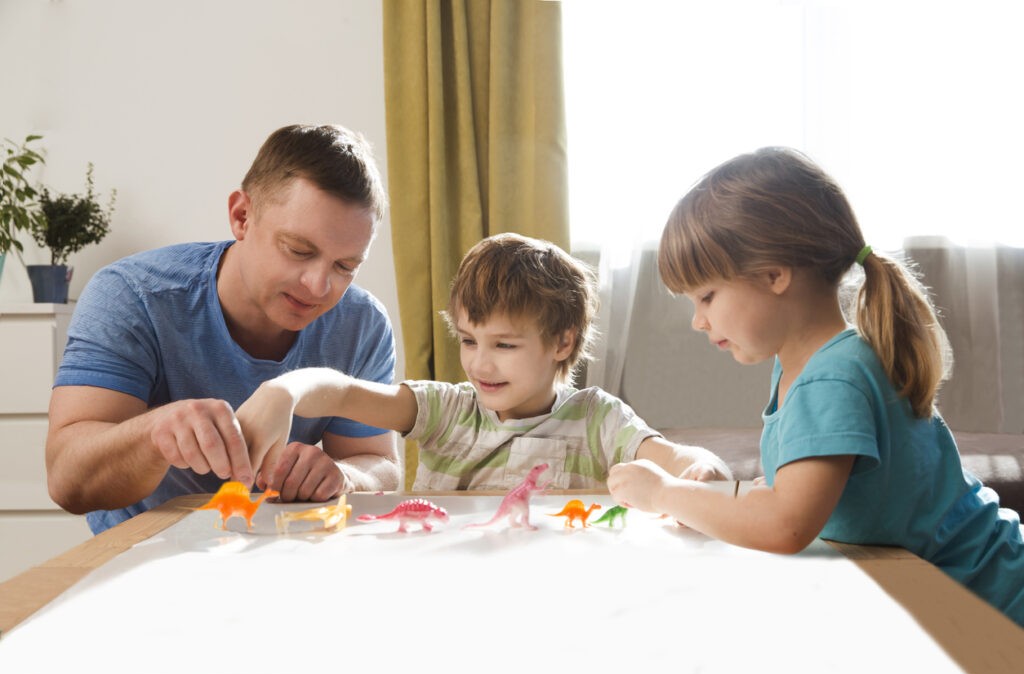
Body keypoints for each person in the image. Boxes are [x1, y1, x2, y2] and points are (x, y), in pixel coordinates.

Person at [607, 147, 1024, 625]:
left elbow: (786, 525)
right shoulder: (817, 364)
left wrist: (664, 493)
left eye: (706, 296)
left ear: (773, 275)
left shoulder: (832, 378)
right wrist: (725, 499)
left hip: (989, 605)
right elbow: (810, 494)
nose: (698, 321)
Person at [46, 124, 400, 534]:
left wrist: (345, 476)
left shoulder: (361, 323)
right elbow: (66, 480)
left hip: (283, 552)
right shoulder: (132, 296)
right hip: (142, 558)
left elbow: (380, 464)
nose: (319, 286)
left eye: (345, 267)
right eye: (299, 251)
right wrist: (156, 433)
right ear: (242, 216)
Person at [236, 232, 731, 491]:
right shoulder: (447, 409)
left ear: (562, 343)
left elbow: (674, 458)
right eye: (469, 340)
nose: (480, 365)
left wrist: (702, 469)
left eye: (505, 345)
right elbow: (344, 392)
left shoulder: (599, 418)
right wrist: (285, 391)